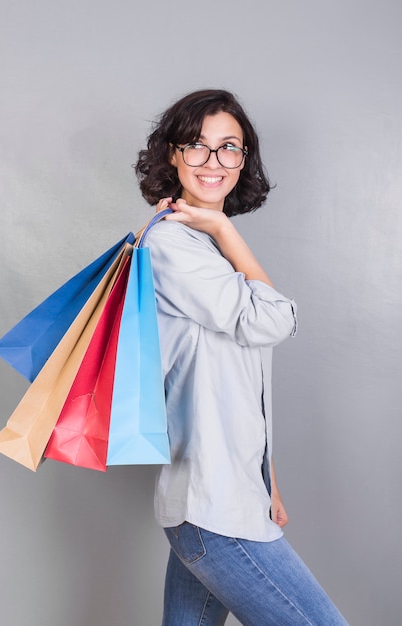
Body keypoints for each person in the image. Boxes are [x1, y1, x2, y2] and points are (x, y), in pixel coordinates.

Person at [135, 89, 348, 626]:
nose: (214, 161)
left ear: (244, 158)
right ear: (172, 156)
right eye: (198, 146)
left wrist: (265, 478)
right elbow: (271, 321)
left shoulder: (201, 246)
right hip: (214, 509)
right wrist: (226, 229)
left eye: (229, 147)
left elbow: (231, 379)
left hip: (221, 498)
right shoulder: (175, 247)